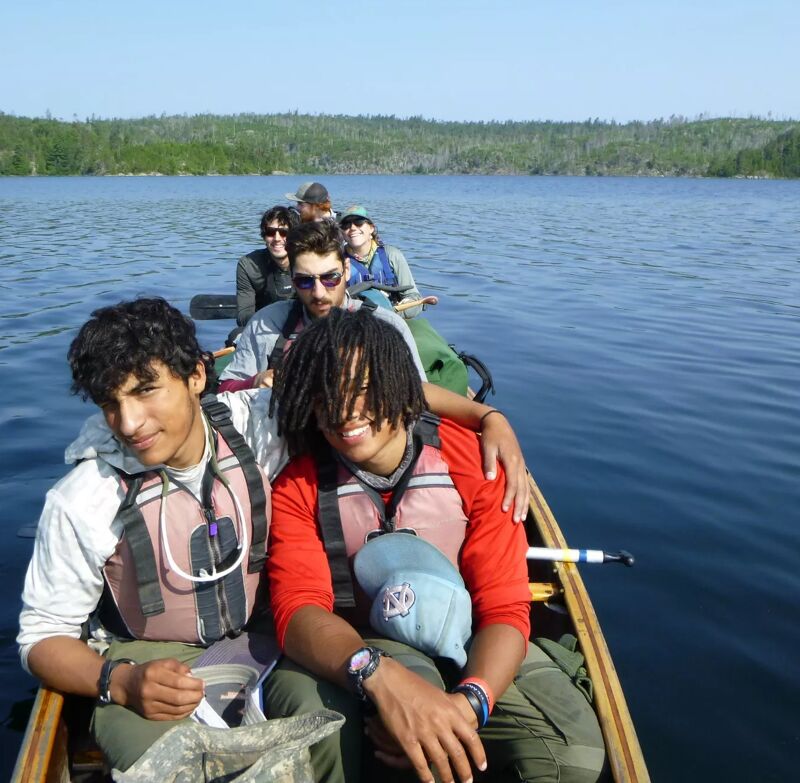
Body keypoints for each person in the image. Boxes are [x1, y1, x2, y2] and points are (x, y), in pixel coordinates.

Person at [263, 309, 606, 783]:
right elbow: (298, 609)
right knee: (413, 734)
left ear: (403, 389)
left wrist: (472, 702)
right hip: (366, 642)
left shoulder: (474, 461)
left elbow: (505, 608)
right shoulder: (298, 485)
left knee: (575, 753)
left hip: (469, 634)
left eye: (365, 388)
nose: (345, 410)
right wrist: (374, 673)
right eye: (327, 393)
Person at [16, 298, 285, 772]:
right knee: (178, 767)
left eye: (146, 391)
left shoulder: (257, 426)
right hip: (144, 658)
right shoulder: (82, 498)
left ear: (197, 377)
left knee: (336, 726)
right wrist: (120, 682)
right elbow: (41, 640)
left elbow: (352, 394)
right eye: (110, 403)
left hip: (265, 643)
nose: (128, 423)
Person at [217, 220, 530, 521]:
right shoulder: (266, 325)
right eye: (305, 281)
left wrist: (489, 417)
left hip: (360, 464)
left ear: (348, 270)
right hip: (288, 466)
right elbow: (225, 392)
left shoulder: (385, 325)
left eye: (330, 278)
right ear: (292, 279)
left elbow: (414, 396)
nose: (319, 292)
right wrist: (255, 380)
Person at [340, 205, 423, 319]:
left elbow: (414, 296)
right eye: (346, 225)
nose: (353, 228)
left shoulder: (392, 255)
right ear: (342, 233)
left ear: (371, 228)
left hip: (392, 318)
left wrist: (392, 313)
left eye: (359, 222)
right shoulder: (338, 260)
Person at [236, 205, 300, 326]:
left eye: (284, 233)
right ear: (264, 236)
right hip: (264, 326)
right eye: (270, 232)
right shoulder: (248, 265)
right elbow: (243, 316)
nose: (277, 238)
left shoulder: (307, 261)